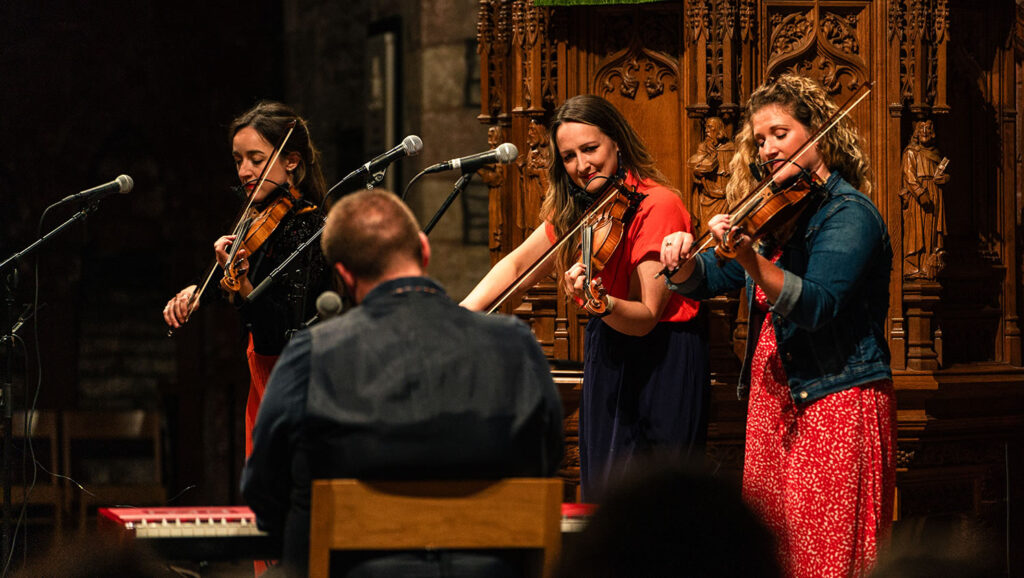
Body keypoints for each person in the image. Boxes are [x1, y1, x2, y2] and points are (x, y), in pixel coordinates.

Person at [241, 189, 564, 576]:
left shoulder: (312, 356)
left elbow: (264, 487)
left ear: (344, 276)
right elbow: (548, 457)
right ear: (424, 251)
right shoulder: (515, 344)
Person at [659, 74, 896, 577]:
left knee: (825, 555)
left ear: (819, 134)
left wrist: (747, 254)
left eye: (780, 133)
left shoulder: (849, 214)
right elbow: (707, 278)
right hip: (777, 405)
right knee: (776, 556)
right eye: (760, 139)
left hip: (835, 401)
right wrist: (681, 263)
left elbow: (817, 305)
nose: (767, 148)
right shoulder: (776, 217)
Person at [461, 94, 709, 501]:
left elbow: (647, 315)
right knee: (603, 492)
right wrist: (459, 316)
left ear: (616, 143)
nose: (582, 165)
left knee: (655, 502)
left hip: (660, 358)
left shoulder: (658, 204)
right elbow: (515, 268)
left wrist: (600, 303)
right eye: (570, 156)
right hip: (610, 349)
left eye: (590, 149)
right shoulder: (581, 211)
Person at [162, 101, 331, 458]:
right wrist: (199, 292)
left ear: (291, 161)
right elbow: (240, 278)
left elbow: (282, 324)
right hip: (261, 367)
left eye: (257, 159)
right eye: (239, 160)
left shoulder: (305, 226)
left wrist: (240, 285)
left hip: (290, 373)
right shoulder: (257, 216)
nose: (244, 170)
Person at [899, 119, 949, 280]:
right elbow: (909, 175)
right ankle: (916, 265)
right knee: (917, 232)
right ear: (916, 132)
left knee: (932, 232)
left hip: (935, 193)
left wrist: (945, 178)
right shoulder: (910, 152)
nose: (925, 131)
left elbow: (940, 173)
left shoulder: (935, 153)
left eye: (928, 128)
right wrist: (921, 193)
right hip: (918, 198)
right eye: (922, 128)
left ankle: (930, 262)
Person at [688, 116, 735, 230]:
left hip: (727, 199)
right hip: (708, 198)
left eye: (710, 127)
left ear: (719, 129)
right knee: (707, 234)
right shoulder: (703, 148)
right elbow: (696, 169)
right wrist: (709, 157)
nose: (706, 131)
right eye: (706, 127)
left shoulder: (732, 148)